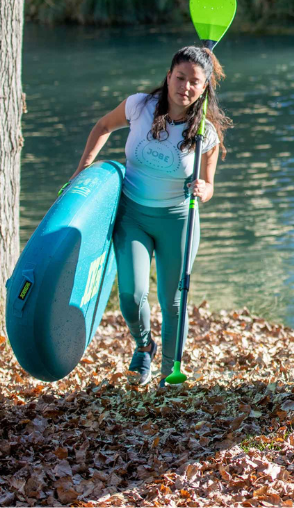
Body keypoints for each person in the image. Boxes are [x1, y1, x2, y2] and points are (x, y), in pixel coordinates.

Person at [71, 46, 231, 386]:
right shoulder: (139, 106)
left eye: (194, 82)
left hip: (178, 222)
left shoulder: (204, 130)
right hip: (133, 216)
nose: (185, 87)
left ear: (204, 89)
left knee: (173, 302)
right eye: (180, 77)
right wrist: (82, 169)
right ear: (169, 76)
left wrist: (208, 187)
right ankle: (144, 346)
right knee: (131, 295)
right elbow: (103, 126)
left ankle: (169, 372)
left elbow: (211, 165)